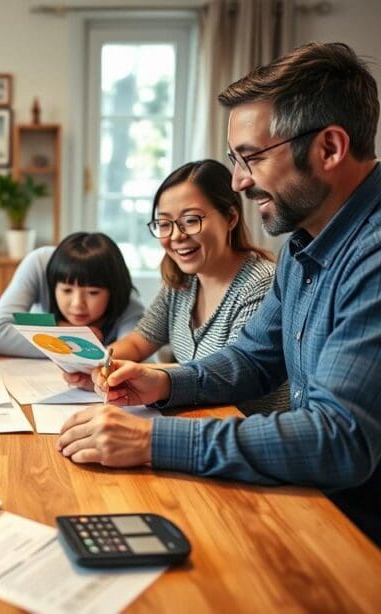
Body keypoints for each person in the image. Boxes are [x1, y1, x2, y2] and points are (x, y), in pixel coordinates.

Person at [57, 42, 381, 545]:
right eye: (235, 159)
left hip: (355, 529)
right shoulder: (303, 246)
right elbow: (253, 358)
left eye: (251, 157)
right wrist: (165, 383)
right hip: (311, 500)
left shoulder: (373, 256)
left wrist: (151, 438)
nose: (239, 180)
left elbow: (338, 440)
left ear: (330, 148)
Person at [65, 160, 289, 415]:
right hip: (202, 420)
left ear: (231, 217)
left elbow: (229, 375)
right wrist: (101, 366)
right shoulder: (181, 281)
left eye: (190, 220)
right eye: (164, 223)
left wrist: (145, 375)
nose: (176, 236)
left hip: (248, 434)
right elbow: (141, 341)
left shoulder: (261, 284)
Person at [0, 232, 145, 358]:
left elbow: (133, 353)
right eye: (67, 290)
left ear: (113, 290)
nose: (77, 304)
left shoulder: (130, 303)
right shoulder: (40, 264)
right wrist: (72, 335)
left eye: (93, 293)